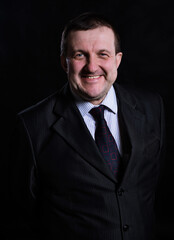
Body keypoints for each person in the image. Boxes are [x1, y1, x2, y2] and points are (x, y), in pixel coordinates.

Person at [10, 12, 165, 240]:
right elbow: (20, 217)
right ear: (65, 62)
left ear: (117, 59)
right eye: (80, 55)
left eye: (103, 54)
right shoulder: (32, 126)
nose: (92, 67)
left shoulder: (152, 107)